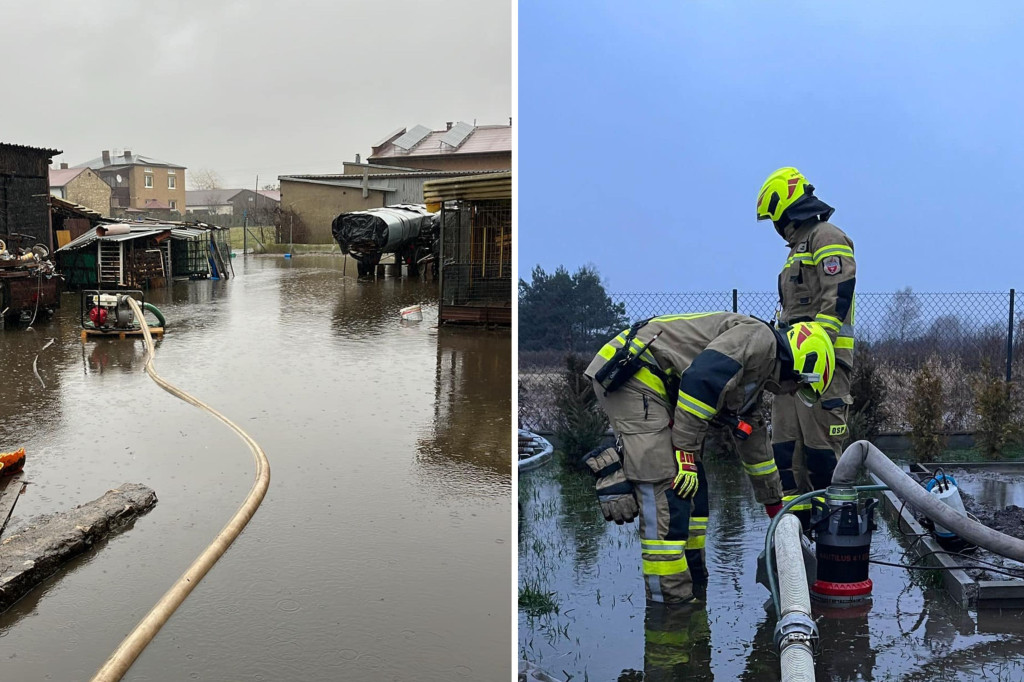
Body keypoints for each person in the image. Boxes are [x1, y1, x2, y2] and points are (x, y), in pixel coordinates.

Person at [582, 312, 835, 605]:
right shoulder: (759, 339)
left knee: (694, 491)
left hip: (657, 383)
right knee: (666, 487)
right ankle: (670, 609)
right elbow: (700, 380)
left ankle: (696, 585)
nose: (791, 391)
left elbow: (755, 443)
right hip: (634, 376)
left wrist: (774, 505)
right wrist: (686, 455)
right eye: (798, 385)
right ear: (802, 363)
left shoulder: (758, 371)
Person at [756, 167, 856, 526]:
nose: (776, 226)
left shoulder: (825, 236)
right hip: (791, 367)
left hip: (822, 367)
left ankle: (833, 530)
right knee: (786, 452)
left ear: (786, 208)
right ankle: (795, 532)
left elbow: (837, 293)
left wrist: (821, 346)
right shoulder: (797, 248)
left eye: (775, 218)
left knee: (820, 454)